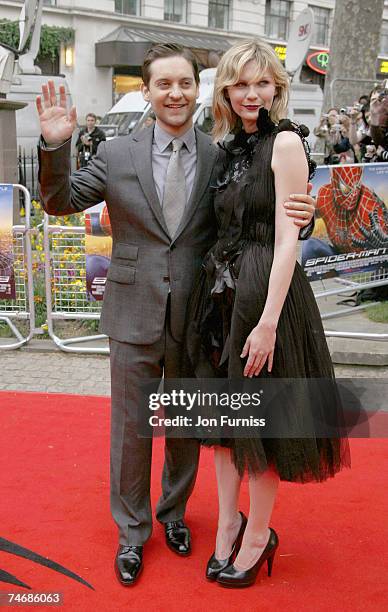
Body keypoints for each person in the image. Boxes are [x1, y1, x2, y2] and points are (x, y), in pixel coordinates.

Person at [36, 43, 315, 587]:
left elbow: (253, 212)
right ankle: (132, 532)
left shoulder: (221, 152)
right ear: (148, 90)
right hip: (133, 310)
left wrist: (304, 216)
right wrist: (56, 145)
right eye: (163, 84)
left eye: (185, 83)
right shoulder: (117, 153)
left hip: (202, 312)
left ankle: (174, 515)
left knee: (189, 426)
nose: (175, 93)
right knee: (132, 429)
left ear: (199, 89)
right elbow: (59, 199)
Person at [183, 39, 351, 588]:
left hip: (264, 296)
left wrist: (269, 322)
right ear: (226, 91)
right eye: (240, 83)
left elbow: (287, 242)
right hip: (221, 298)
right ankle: (227, 523)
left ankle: (258, 535)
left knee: (262, 426)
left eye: (261, 82)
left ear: (277, 87)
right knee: (226, 424)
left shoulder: (284, 143)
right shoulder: (228, 145)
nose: (251, 92)